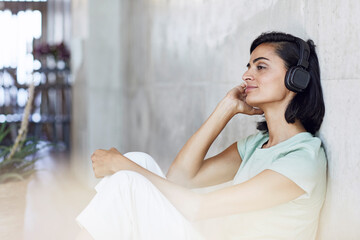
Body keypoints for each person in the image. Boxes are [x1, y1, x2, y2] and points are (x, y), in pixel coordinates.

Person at [75, 31, 327, 240]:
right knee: (139, 162)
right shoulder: (258, 146)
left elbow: (199, 208)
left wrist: (122, 165)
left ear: (297, 80)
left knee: (129, 177)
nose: (246, 75)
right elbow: (181, 177)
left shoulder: (303, 159)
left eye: (261, 67)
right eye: (248, 66)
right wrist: (226, 108)